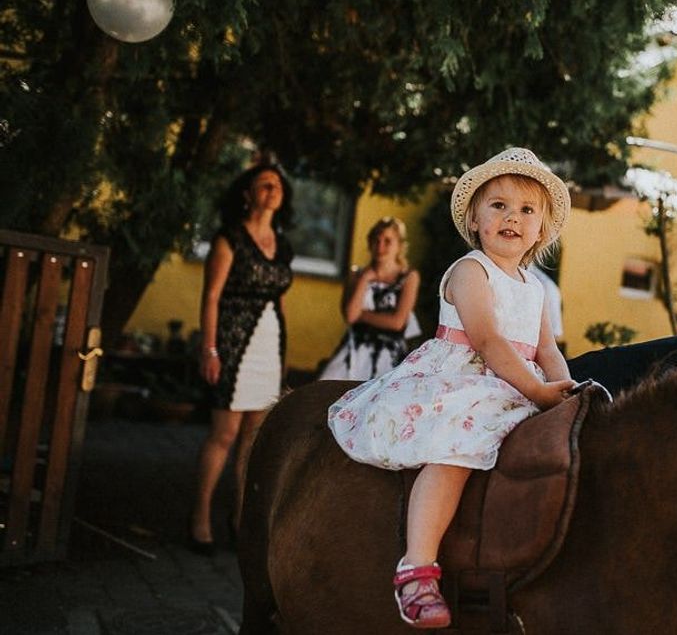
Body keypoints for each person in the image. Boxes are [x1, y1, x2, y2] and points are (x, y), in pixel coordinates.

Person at [328, 147, 576, 629]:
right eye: (499, 205)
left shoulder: (536, 288)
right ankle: (416, 569)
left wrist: (564, 388)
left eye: (527, 210)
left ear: (541, 228)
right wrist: (540, 393)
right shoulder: (470, 270)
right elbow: (487, 341)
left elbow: (546, 350)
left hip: (516, 382)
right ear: (476, 218)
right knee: (454, 449)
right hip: (466, 377)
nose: (513, 218)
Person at [190, 163, 294, 555]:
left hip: (269, 342)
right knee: (225, 434)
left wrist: (284, 355)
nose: (273, 189)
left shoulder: (282, 245)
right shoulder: (228, 238)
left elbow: (280, 301)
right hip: (232, 342)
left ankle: (240, 519)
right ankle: (199, 515)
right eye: (264, 184)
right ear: (247, 193)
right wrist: (209, 348)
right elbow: (211, 297)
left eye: (278, 185)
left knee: (253, 439)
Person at [318, 216, 421, 380]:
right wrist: (365, 279)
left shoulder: (408, 277)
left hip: (389, 353)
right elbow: (350, 316)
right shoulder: (356, 275)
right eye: (376, 240)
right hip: (355, 348)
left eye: (387, 241)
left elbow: (397, 322)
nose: (380, 246)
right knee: (327, 387)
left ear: (399, 246)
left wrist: (362, 314)